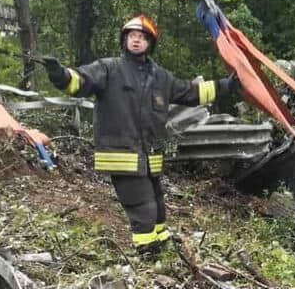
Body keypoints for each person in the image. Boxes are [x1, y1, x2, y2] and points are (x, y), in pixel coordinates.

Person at [41, 14, 239, 258]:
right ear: (124, 40)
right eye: (132, 36)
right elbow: (78, 82)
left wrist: (226, 86)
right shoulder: (108, 68)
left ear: (150, 43)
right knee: (142, 208)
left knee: (157, 207)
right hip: (122, 157)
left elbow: (192, 92)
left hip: (150, 159)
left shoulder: (161, 77)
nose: (136, 40)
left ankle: (162, 248)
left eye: (142, 37)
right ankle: (148, 255)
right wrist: (59, 74)